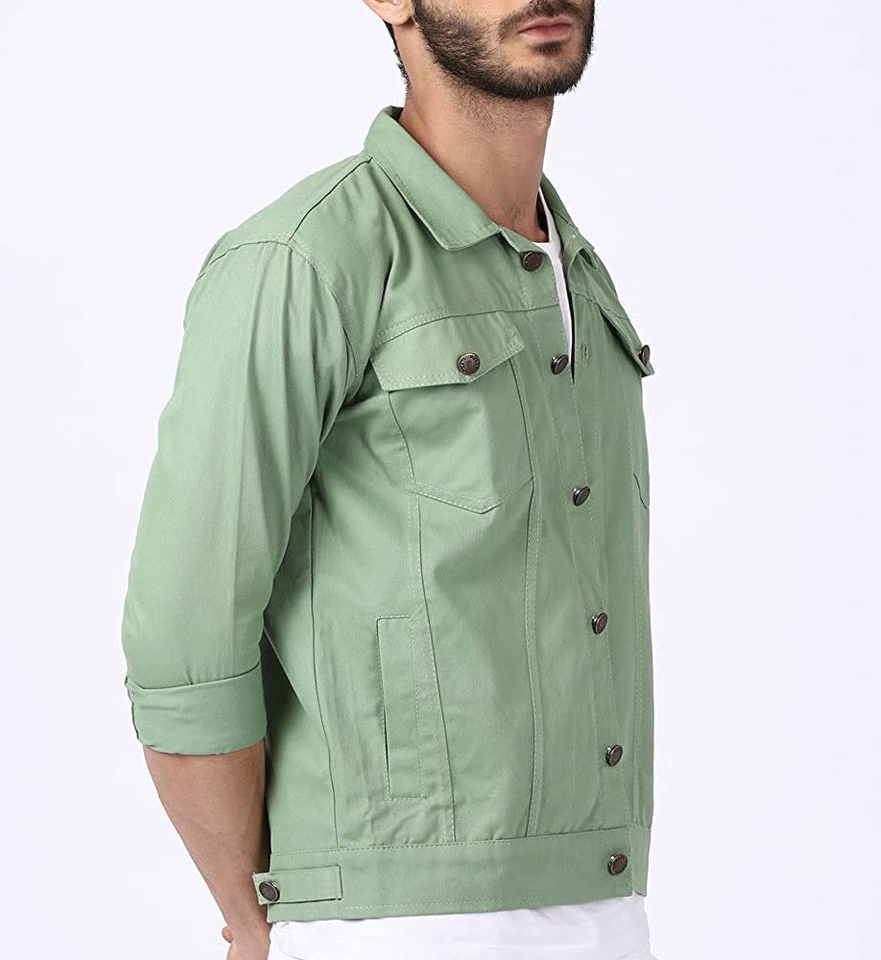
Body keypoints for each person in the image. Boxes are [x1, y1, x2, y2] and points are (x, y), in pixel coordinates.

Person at [120, 2, 659, 958]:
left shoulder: (574, 267)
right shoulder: (304, 258)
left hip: (605, 906)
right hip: (393, 923)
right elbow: (186, 637)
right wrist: (255, 918)